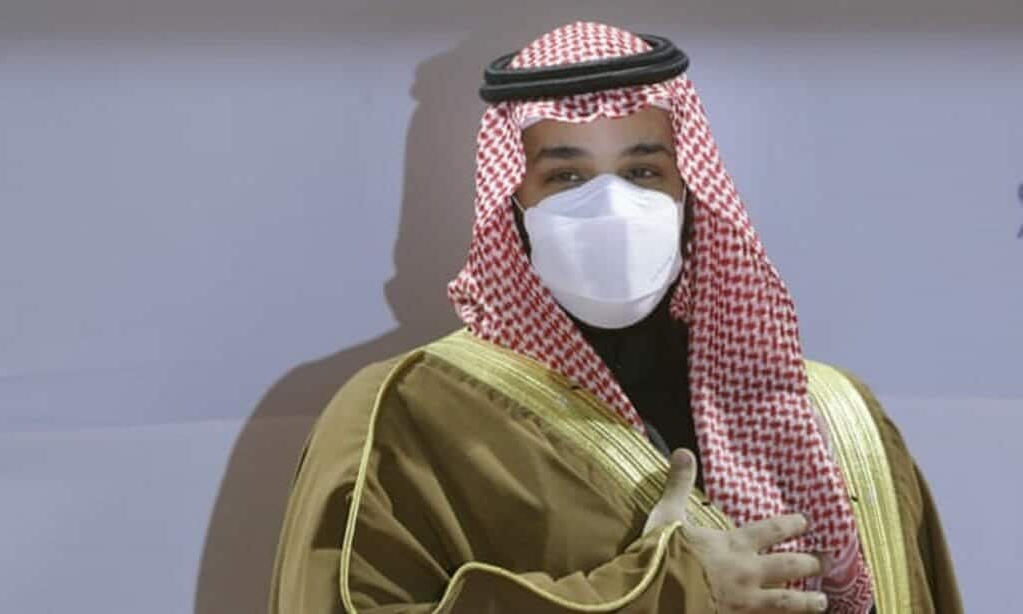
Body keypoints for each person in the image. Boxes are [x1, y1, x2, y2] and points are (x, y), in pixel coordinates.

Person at [270, 22, 962, 613]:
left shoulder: (838, 419)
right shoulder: (407, 418)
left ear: (691, 191)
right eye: (566, 177)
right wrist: (665, 590)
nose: (611, 206)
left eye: (643, 172)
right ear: (513, 204)